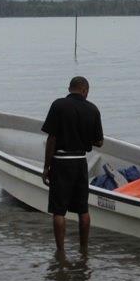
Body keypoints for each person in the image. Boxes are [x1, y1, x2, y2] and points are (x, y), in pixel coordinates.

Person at [42, 76, 103, 254]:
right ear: (84, 90)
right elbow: (99, 142)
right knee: (83, 209)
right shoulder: (93, 109)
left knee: (59, 211)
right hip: (80, 162)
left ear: (70, 89)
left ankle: (60, 251)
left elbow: (51, 138)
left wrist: (47, 167)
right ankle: (84, 249)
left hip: (61, 162)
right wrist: (85, 137)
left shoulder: (58, 105)